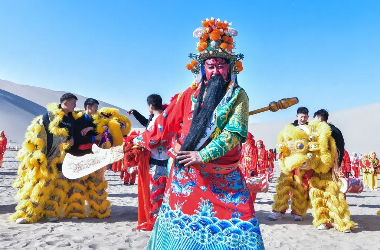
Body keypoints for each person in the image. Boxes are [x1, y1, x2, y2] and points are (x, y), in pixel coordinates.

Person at [132, 18, 264, 249]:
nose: (215, 71)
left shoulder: (238, 96)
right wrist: (141, 140)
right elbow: (165, 124)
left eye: (220, 66)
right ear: (202, 68)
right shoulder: (189, 95)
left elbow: (233, 133)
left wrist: (202, 155)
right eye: (210, 66)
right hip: (187, 175)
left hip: (223, 176)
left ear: (230, 68)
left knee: (240, 226)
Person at [11, 93, 77, 224]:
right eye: (73, 103)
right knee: (38, 186)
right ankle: (27, 213)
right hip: (46, 157)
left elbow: (72, 135)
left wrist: (71, 140)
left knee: (57, 186)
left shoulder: (72, 119)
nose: (75, 106)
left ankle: (50, 212)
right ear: (65, 103)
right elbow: (39, 133)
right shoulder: (50, 116)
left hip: (61, 159)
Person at [64, 98, 112, 219]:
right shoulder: (78, 121)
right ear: (88, 107)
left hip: (95, 159)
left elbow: (103, 135)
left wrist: (91, 130)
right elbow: (76, 139)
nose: (97, 109)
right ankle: (75, 212)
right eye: (95, 106)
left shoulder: (97, 122)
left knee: (97, 185)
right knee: (77, 186)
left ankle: (98, 211)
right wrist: (92, 138)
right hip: (79, 157)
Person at [131, 94, 169, 231]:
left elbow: (151, 141)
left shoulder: (156, 121)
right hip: (168, 160)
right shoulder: (168, 117)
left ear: (151, 106)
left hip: (156, 161)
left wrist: (136, 142)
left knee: (156, 192)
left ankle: (155, 221)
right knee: (165, 192)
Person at [268, 107, 311, 222]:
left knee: (300, 187)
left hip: (302, 163)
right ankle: (278, 211)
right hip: (288, 162)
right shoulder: (289, 129)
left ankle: (297, 212)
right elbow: (280, 142)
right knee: (283, 185)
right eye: (301, 116)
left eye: (305, 116)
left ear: (307, 117)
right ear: (297, 116)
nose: (303, 118)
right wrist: (282, 153)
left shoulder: (310, 130)